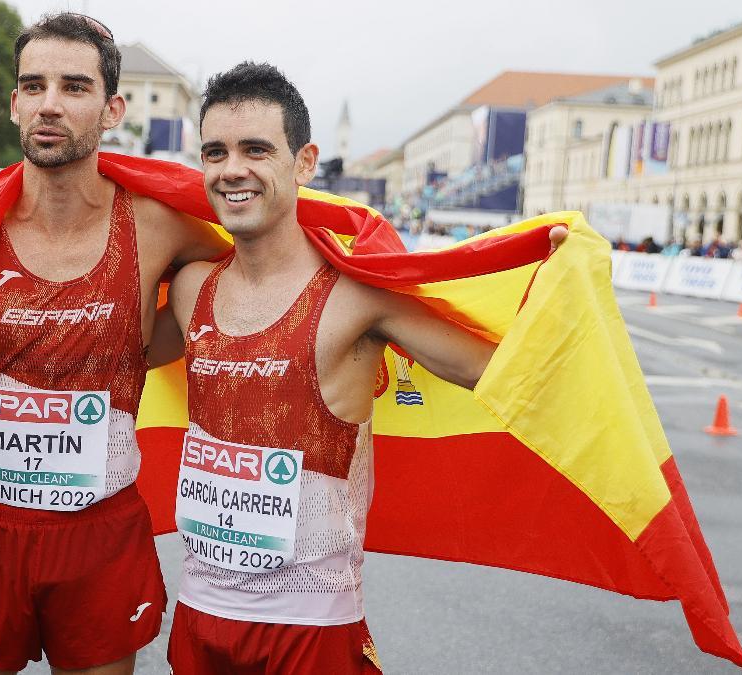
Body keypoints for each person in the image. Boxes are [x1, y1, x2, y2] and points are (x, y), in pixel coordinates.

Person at [158, 62, 567, 675]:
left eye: (256, 149)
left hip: (310, 629)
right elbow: (112, 357)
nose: (232, 169)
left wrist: (558, 288)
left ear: (304, 162)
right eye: (215, 152)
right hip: (198, 615)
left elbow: (505, 372)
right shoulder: (191, 288)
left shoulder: (358, 297)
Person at [0, 13, 228, 674]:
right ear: (14, 103)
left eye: (74, 86)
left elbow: (254, 263)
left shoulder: (158, 226)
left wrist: (156, 338)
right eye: (33, 85)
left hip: (97, 534)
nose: (50, 103)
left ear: (111, 109)